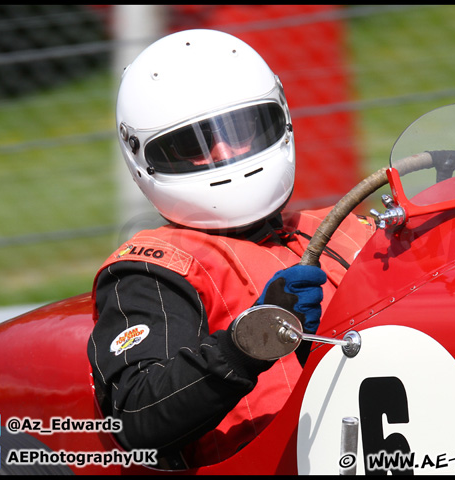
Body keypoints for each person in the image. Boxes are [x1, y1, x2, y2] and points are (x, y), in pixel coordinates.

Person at [86, 29, 375, 468]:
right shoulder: (153, 270)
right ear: (145, 156)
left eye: (240, 130)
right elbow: (134, 418)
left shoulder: (345, 227)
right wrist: (250, 343)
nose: (223, 153)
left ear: (276, 119)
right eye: (191, 145)